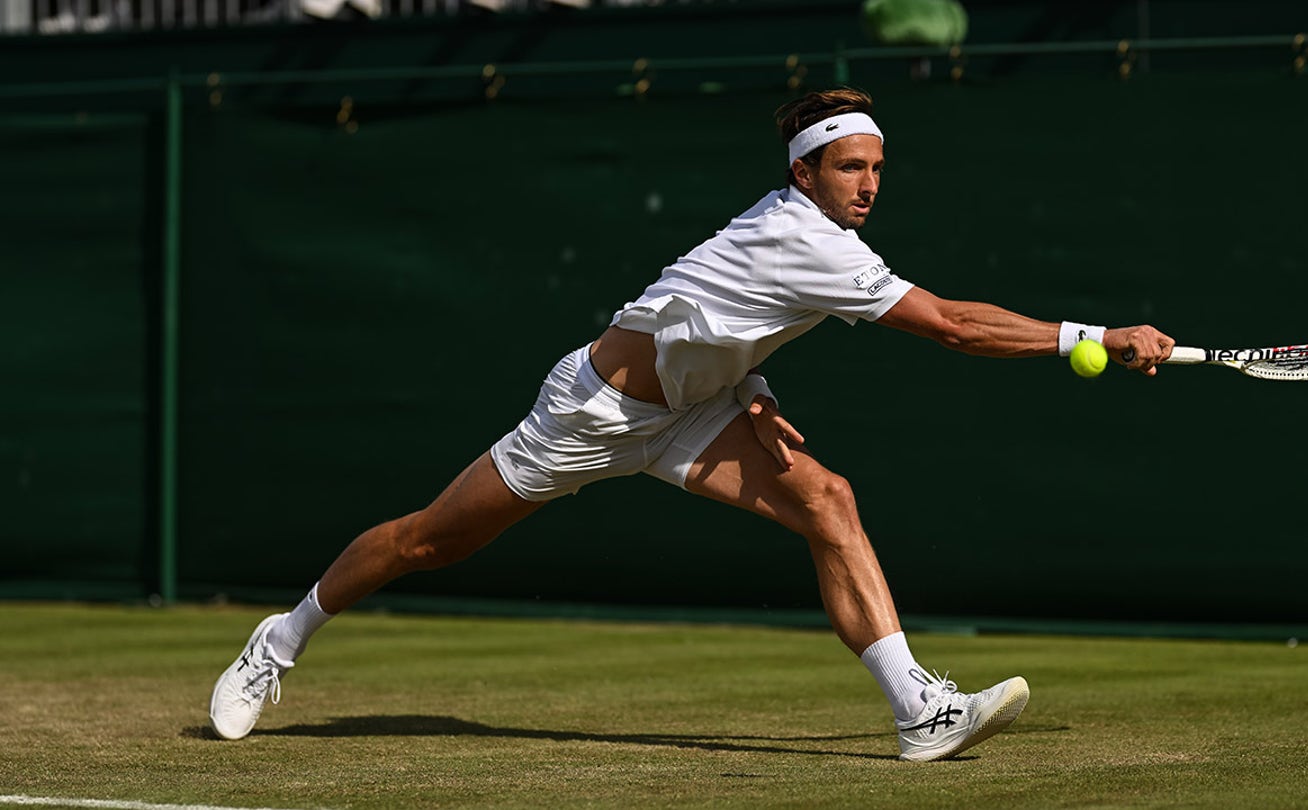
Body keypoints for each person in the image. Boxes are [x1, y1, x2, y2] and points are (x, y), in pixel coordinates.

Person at [209, 87, 1174, 762]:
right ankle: (277, 645)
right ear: (805, 174)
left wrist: (749, 391)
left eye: (877, 168)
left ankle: (918, 710)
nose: (868, 185)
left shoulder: (815, 236)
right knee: (428, 542)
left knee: (829, 500)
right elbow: (956, 328)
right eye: (849, 168)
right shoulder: (808, 242)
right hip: (590, 412)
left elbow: (713, 320)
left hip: (695, 410)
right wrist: (1096, 334)